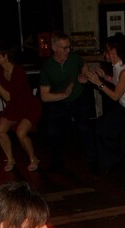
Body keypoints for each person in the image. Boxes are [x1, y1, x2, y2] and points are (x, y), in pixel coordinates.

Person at [84, 34, 125, 180]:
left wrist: (99, 83)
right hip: (124, 108)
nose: (104, 54)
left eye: (106, 51)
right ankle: (113, 162)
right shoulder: (117, 66)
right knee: (103, 131)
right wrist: (105, 77)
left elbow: (115, 96)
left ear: (114, 52)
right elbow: (116, 82)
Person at [39, 32, 97, 174]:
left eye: (69, 47)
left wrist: (84, 75)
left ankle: (93, 161)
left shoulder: (74, 58)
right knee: (53, 132)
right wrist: (64, 94)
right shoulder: (47, 66)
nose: (68, 50)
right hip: (59, 101)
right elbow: (44, 96)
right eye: (64, 48)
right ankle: (57, 162)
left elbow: (84, 65)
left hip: (78, 97)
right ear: (54, 48)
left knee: (84, 128)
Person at [0, 44, 42, 172]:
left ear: (6, 56)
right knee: (0, 128)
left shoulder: (19, 72)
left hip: (29, 106)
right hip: (14, 107)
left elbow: (8, 97)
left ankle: (33, 158)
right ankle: (10, 159)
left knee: (21, 133)